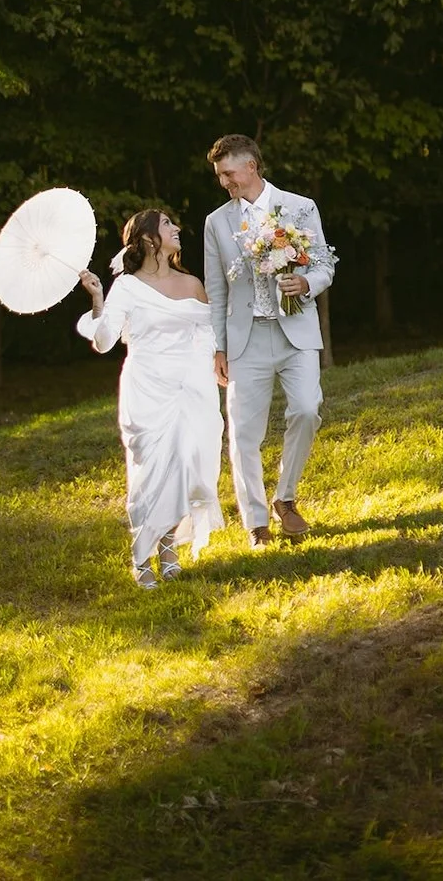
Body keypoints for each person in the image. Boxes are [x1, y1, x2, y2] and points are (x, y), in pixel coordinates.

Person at [77, 208, 225, 590]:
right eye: (167, 224)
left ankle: (169, 549)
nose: (176, 228)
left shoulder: (192, 283)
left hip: (191, 388)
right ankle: (141, 558)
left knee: (188, 464)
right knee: (150, 472)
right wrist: (98, 298)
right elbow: (104, 342)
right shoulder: (127, 287)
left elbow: (208, 334)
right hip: (147, 388)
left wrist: (212, 366)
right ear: (147, 239)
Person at [203, 133, 336, 549]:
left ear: (251, 167)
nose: (224, 182)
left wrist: (307, 283)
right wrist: (218, 347)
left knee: (307, 409)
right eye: (220, 176)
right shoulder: (216, 222)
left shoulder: (300, 207)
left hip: (296, 330)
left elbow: (324, 265)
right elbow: (216, 289)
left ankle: (286, 497)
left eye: (228, 173)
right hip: (245, 339)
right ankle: (256, 523)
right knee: (243, 432)